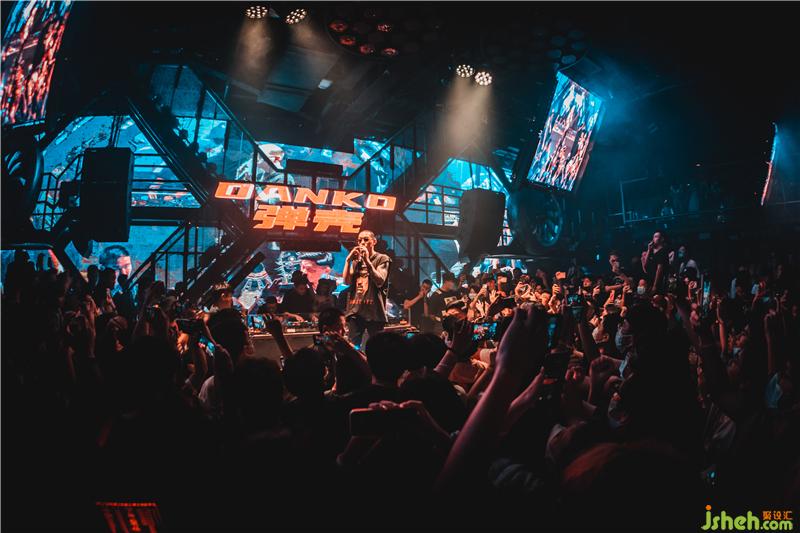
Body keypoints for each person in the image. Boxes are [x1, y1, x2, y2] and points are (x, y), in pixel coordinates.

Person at [343, 230, 391, 347]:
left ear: (374, 241)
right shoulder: (356, 262)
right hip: (356, 309)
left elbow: (380, 280)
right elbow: (346, 281)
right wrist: (348, 261)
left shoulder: (382, 258)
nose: (362, 243)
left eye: (366, 239)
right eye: (359, 240)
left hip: (374, 311)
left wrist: (367, 261)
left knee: (378, 345)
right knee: (353, 345)